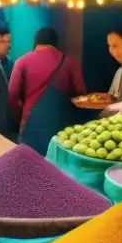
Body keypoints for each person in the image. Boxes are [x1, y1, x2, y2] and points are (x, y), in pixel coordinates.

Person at [9, 27, 87, 155]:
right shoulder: (69, 62)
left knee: (28, 165)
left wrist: (19, 118)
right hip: (61, 128)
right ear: (56, 43)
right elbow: (81, 94)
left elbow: (12, 95)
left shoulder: (21, 62)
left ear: (35, 42)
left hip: (29, 126)